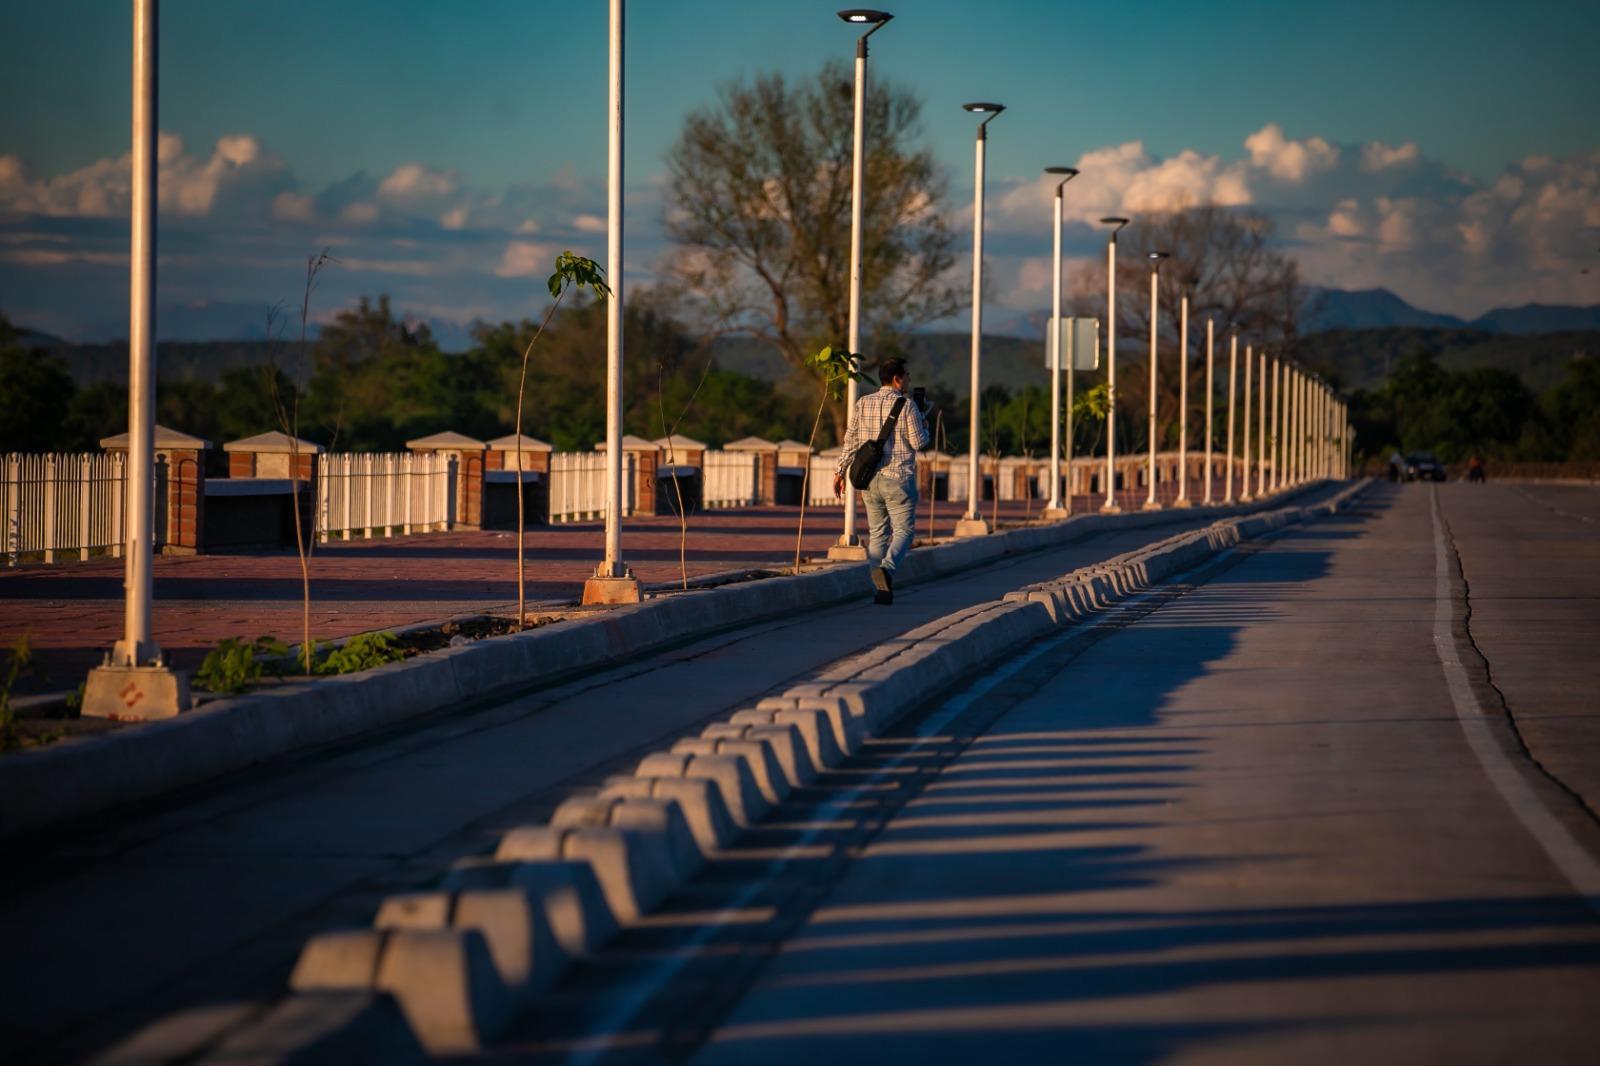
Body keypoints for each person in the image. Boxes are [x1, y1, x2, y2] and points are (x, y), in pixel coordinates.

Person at [833, 356, 930, 605]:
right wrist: (924, 420)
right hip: (897, 478)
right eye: (906, 376)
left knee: (877, 534)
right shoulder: (907, 405)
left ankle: (880, 591)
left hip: (869, 478)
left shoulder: (862, 403)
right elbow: (919, 442)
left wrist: (840, 471)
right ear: (897, 379)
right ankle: (886, 569)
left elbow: (851, 440)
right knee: (904, 531)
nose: (909, 380)